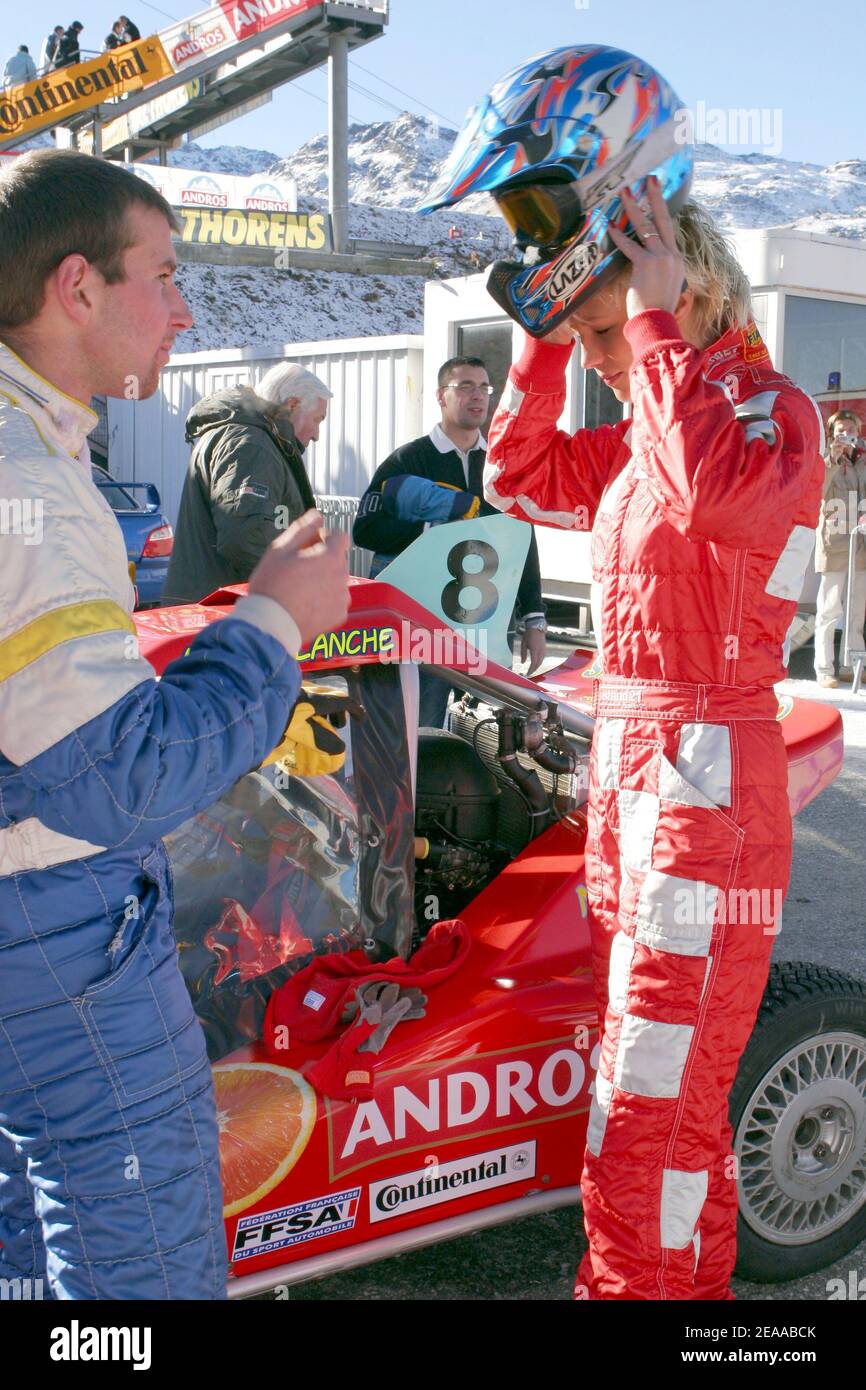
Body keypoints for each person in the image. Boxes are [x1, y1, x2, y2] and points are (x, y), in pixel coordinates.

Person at [422, 45, 824, 1301]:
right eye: (591, 335)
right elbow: (523, 472)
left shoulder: (765, 417)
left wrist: (638, 321)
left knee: (645, 1125)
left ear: (680, 284)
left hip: (705, 786)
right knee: (651, 1107)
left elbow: (709, 496)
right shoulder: (645, 419)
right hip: (632, 785)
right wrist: (550, 328)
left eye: (605, 325)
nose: (601, 353)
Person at [0, 149, 349, 1300]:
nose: (186, 307)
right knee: (135, 1246)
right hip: (56, 925)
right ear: (78, 287)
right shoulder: (31, 488)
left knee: (37, 1233)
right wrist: (268, 624)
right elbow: (116, 779)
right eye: (165, 271)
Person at [353, 355, 547, 725]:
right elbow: (365, 530)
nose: (478, 396)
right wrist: (430, 533)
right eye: (466, 386)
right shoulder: (406, 461)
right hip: (421, 633)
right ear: (442, 396)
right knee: (419, 734)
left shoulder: (501, 465)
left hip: (485, 631)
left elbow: (521, 539)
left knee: (483, 737)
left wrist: (534, 618)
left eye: (484, 387)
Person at [163, 362, 331, 606]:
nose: (316, 434)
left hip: (213, 611)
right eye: (317, 419)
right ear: (292, 405)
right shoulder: (252, 445)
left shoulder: (249, 439)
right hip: (220, 615)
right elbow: (244, 536)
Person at [813, 408, 866, 686]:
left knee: (857, 611)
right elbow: (816, 491)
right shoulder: (824, 461)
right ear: (833, 434)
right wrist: (832, 458)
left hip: (860, 546)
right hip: (833, 544)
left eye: (851, 430)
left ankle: (852, 665)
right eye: (841, 431)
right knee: (830, 609)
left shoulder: (863, 462)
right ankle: (824, 669)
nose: (847, 436)